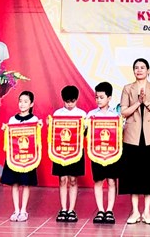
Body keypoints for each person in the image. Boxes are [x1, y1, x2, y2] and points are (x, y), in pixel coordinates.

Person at [119, 57, 150, 225]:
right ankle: (135, 211)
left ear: (148, 70)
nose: (139, 70)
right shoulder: (127, 88)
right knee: (133, 175)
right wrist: (138, 102)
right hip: (132, 136)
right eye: (136, 67)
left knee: (149, 175)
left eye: (142, 67)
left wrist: (147, 103)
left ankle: (147, 212)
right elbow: (124, 112)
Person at [1, 90, 38, 222]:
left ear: (31, 104)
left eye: (26, 102)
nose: (22, 104)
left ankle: (23, 210)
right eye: (20, 101)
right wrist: (5, 129)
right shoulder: (13, 119)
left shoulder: (34, 120)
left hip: (27, 157)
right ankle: (16, 210)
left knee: (26, 184)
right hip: (14, 156)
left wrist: (39, 126)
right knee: (14, 183)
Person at [52, 84, 87, 222]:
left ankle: (71, 210)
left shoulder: (82, 115)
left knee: (73, 179)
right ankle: (63, 208)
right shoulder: (57, 114)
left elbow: (85, 134)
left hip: (76, 151)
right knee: (62, 179)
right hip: (60, 151)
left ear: (76, 99)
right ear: (63, 100)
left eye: (72, 101)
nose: (70, 104)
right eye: (67, 101)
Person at [87, 81, 119, 224]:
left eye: (101, 97)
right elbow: (83, 131)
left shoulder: (116, 115)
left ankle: (109, 210)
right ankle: (100, 210)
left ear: (109, 98)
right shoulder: (91, 115)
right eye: (96, 97)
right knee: (98, 181)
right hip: (97, 153)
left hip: (112, 153)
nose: (98, 100)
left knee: (112, 181)